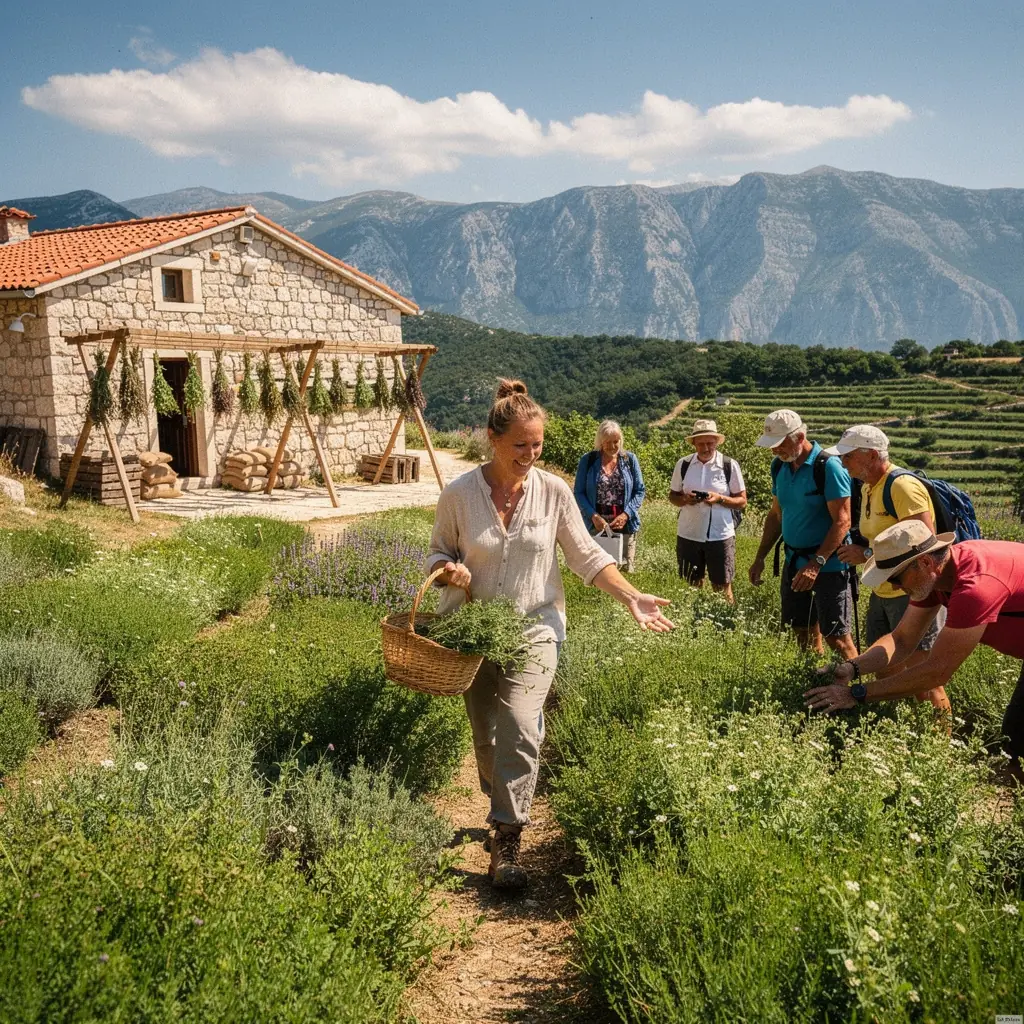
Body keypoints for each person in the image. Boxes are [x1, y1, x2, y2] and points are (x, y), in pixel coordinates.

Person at [427, 379, 674, 890]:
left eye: (537, 445)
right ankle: (501, 803)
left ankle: (508, 836)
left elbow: (586, 555)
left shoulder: (554, 491)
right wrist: (448, 570)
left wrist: (631, 596)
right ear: (493, 439)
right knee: (486, 736)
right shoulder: (459, 495)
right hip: (473, 631)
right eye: (520, 445)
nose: (530, 454)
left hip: (535, 628)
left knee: (521, 722)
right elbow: (437, 553)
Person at [804, 521, 1024, 761]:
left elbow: (936, 672)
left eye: (896, 578)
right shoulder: (938, 576)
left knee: (1015, 742)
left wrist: (855, 694)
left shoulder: (975, 586)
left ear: (925, 562)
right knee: (1015, 741)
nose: (893, 586)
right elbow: (901, 640)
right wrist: (852, 667)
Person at [826, 424, 950, 713]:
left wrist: (866, 554)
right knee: (884, 668)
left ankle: (940, 734)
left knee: (924, 676)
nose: (843, 462)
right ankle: (899, 723)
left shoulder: (902, 487)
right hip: (883, 590)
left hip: (912, 593)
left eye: (848, 456)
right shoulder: (869, 487)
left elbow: (924, 545)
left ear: (871, 455)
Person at [749, 409, 857, 659]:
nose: (774, 451)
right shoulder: (779, 466)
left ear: (799, 437)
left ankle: (856, 680)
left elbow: (843, 521)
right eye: (772, 445)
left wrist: (816, 563)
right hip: (793, 562)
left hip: (829, 566)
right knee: (801, 629)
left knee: (837, 637)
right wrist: (760, 557)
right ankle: (814, 675)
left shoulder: (828, 467)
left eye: (779, 444)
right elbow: (776, 514)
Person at [668, 419, 747, 603]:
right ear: (694, 444)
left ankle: (726, 618)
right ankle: (693, 616)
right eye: (701, 444)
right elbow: (672, 496)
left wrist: (719, 499)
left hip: (720, 535)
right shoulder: (683, 464)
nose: (705, 448)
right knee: (691, 585)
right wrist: (685, 499)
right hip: (689, 533)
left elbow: (742, 501)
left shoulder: (729, 465)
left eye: (710, 443)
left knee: (722, 586)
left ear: (716, 442)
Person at [573, 419, 646, 572]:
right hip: (596, 526)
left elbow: (639, 490)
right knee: (596, 571)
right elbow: (579, 492)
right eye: (607, 442)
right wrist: (593, 516)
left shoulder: (629, 460)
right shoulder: (588, 460)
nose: (612, 446)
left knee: (625, 570)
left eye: (615, 441)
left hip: (625, 525)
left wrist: (626, 515)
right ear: (600, 441)